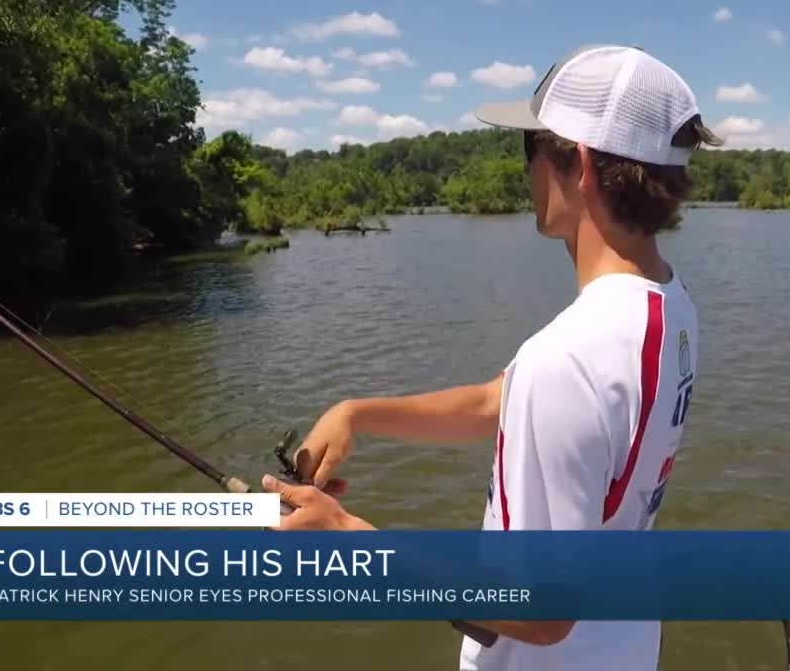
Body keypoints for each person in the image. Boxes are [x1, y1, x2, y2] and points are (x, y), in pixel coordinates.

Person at [261, 44, 722, 671]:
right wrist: (356, 413)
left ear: (579, 164)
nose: (525, 170)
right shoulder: (669, 306)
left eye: (529, 149)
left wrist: (347, 539)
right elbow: (494, 402)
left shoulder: (566, 359)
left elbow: (540, 612)